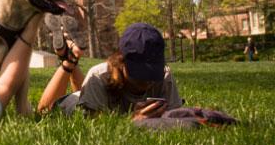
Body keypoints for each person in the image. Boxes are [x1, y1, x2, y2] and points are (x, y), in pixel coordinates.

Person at [38, 23, 182, 121]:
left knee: (87, 92)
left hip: (92, 97)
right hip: (73, 105)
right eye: (139, 73)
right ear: (121, 60)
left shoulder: (165, 76)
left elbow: (177, 119)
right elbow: (96, 128)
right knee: (44, 111)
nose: (146, 81)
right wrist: (132, 120)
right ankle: (69, 61)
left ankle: (72, 53)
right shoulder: (99, 76)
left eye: (151, 74)